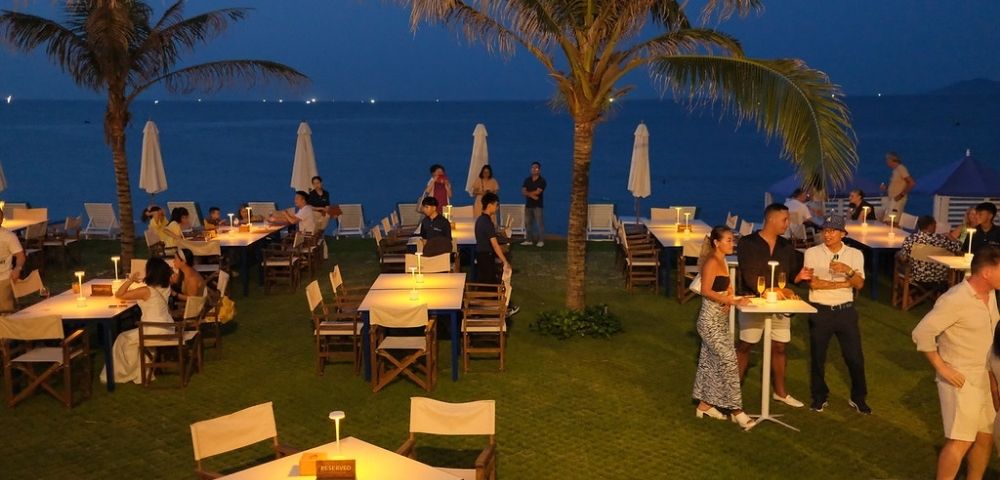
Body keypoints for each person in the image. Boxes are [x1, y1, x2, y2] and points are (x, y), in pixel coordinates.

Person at [912, 245, 1000, 480]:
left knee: (985, 435)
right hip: (961, 378)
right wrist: (943, 368)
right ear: (987, 272)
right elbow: (922, 333)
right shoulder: (955, 299)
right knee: (961, 440)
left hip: (986, 377)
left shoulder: (990, 295)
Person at [736, 203, 813, 408]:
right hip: (753, 301)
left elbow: (790, 276)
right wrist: (770, 291)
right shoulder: (747, 243)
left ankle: (780, 392)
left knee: (779, 347)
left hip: (779, 304)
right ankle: (732, 392)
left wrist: (799, 277)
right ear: (770, 220)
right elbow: (749, 274)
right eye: (784, 220)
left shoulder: (786, 246)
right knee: (746, 345)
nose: (788, 224)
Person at [802, 216, 870, 414]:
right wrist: (843, 283)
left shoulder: (855, 254)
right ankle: (819, 396)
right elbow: (813, 283)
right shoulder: (812, 253)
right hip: (820, 310)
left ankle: (859, 398)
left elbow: (859, 284)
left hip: (845, 311)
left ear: (842, 234)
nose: (827, 234)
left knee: (854, 357)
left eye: (832, 230)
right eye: (825, 230)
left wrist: (848, 271)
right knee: (817, 357)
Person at [691, 226, 755, 430]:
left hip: (719, 321)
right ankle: (737, 411)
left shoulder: (723, 260)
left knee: (709, 364)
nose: (732, 243)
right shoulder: (712, 261)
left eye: (732, 240)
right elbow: (705, 290)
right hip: (709, 322)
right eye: (728, 240)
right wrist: (732, 301)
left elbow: (721, 285)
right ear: (717, 243)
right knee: (729, 362)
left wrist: (730, 296)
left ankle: (704, 406)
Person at [100, 257, 175, 384]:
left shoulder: (146, 291)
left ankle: (124, 372)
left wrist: (130, 280)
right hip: (168, 327)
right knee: (132, 338)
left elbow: (119, 295)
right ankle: (140, 369)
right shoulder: (167, 287)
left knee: (122, 338)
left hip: (153, 329)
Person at [898, 215, 963, 285]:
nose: (936, 227)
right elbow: (959, 248)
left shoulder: (910, 239)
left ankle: (908, 294)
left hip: (917, 277)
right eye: (935, 225)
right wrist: (949, 236)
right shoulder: (942, 240)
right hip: (940, 278)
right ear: (930, 226)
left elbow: (903, 257)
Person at [475, 192, 510, 284]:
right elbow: (495, 245)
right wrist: (505, 261)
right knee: (488, 282)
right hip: (486, 256)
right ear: (490, 205)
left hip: (481, 255)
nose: (497, 208)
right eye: (496, 205)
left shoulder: (480, 220)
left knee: (484, 280)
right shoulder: (487, 222)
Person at [0, 208, 26, 313]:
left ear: (1, 220)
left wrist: (17, 268)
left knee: (5, 312)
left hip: (3, 278)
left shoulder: (9, 237)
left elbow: (20, 256)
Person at [880, 151, 916, 219]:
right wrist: (887, 187)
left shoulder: (901, 169)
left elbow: (912, 183)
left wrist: (901, 195)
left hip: (897, 200)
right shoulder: (895, 170)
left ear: (891, 160)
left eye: (887, 160)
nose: (886, 162)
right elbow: (897, 184)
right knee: (888, 220)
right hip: (893, 199)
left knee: (892, 221)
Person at [521, 161, 547, 247]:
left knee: (539, 223)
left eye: (536, 168)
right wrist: (532, 196)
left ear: (539, 170)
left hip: (538, 206)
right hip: (528, 205)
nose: (534, 169)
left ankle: (541, 240)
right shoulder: (527, 180)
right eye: (532, 168)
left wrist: (529, 194)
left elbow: (538, 192)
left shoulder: (542, 181)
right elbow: (523, 191)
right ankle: (529, 240)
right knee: (528, 223)